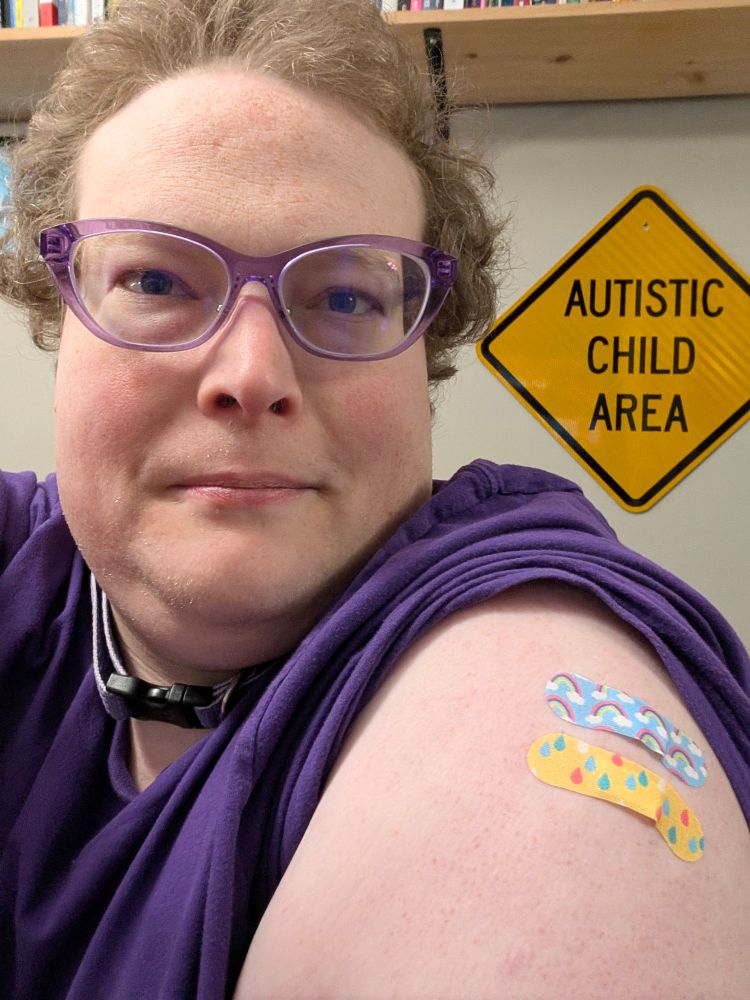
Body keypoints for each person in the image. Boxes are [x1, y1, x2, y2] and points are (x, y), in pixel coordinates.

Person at [0, 1, 747, 997]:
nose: (252, 372)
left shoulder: (518, 644)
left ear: (423, 352)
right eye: (156, 278)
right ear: (60, 309)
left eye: (345, 295)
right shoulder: (22, 563)